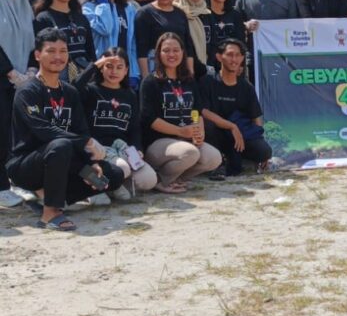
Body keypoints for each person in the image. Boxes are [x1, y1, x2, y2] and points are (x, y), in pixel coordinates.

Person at [6, 28, 124, 231]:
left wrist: (91, 163)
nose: (58, 57)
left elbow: (81, 130)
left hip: (65, 162)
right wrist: (85, 143)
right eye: (51, 51)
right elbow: (44, 131)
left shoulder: (69, 92)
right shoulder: (28, 91)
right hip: (27, 166)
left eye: (63, 51)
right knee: (59, 145)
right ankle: (50, 213)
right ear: (37, 55)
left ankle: (48, 196)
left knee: (111, 175)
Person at [139, 33, 221, 192]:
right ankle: (161, 180)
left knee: (213, 158)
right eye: (166, 50)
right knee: (189, 152)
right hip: (158, 142)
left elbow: (196, 111)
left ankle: (176, 178)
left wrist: (199, 131)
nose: (171, 54)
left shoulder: (188, 80)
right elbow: (149, 119)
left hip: (186, 138)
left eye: (176, 50)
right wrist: (180, 131)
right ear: (158, 54)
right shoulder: (150, 82)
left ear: (183, 53)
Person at [72, 48, 157, 197]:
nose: (114, 71)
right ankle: (97, 184)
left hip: (121, 148)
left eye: (119, 67)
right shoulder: (91, 90)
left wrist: (138, 148)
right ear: (101, 68)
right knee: (123, 168)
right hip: (97, 149)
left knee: (149, 180)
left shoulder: (130, 94)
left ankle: (111, 184)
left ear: (126, 70)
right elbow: (73, 88)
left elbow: (135, 127)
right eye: (109, 66)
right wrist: (93, 66)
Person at [200, 39, 272, 176]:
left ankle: (241, 160)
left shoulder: (246, 87)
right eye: (230, 54)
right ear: (219, 57)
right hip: (218, 133)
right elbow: (203, 111)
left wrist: (260, 142)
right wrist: (231, 126)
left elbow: (255, 117)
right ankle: (218, 162)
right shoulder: (208, 81)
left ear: (243, 58)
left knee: (264, 151)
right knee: (206, 124)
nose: (234, 59)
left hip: (241, 136)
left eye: (238, 55)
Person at [0, 0, 35, 208]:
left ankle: (15, 182)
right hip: (4, 79)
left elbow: (33, 42)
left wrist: (32, 68)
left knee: (16, 135)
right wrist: (10, 72)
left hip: (22, 81)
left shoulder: (26, 7)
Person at [33, 0, 96, 82]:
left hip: (85, 78)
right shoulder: (43, 18)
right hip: (57, 79)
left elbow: (90, 51)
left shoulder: (81, 18)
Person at [83, 0, 140, 88]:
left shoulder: (129, 9)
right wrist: (103, 2)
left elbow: (133, 43)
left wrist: (134, 71)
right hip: (102, 71)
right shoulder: (89, 8)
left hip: (125, 71)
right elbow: (105, 28)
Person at [134, 0, 196, 78]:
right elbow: (141, 48)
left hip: (178, 68)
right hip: (154, 67)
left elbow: (188, 45)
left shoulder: (180, 14)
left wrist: (190, 73)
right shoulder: (144, 13)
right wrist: (145, 76)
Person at [202, 0, 246, 72]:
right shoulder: (202, 14)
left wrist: (241, 65)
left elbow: (241, 42)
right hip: (207, 67)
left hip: (231, 65)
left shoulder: (235, 15)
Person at [174, 0, 211, 76]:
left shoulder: (207, 13)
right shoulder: (175, 13)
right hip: (182, 71)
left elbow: (213, 44)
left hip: (205, 72)